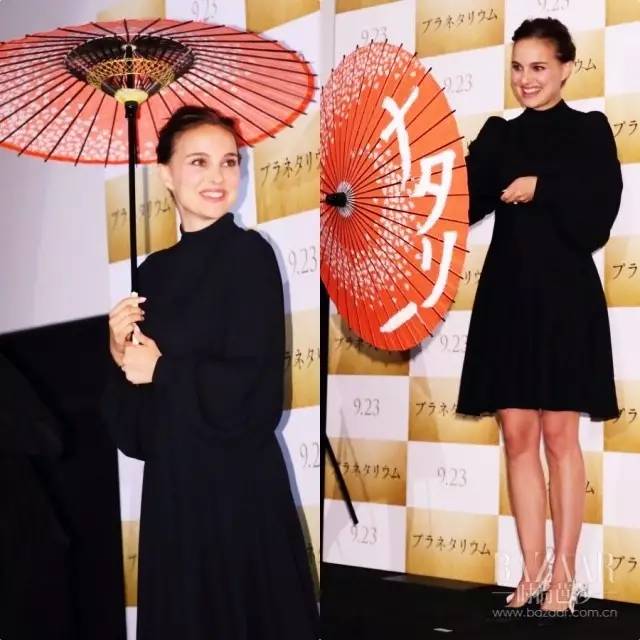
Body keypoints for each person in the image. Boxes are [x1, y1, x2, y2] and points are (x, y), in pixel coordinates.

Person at [101, 106, 319, 639]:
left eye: (229, 161)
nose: (217, 176)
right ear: (166, 173)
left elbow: (256, 396)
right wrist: (120, 355)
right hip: (175, 496)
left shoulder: (250, 255)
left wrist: (163, 370)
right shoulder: (151, 273)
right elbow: (137, 434)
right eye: (198, 162)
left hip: (239, 493)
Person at [456, 18, 622, 616]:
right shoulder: (498, 134)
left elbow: (597, 217)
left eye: (539, 67)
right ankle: (530, 571)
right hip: (507, 298)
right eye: (518, 67)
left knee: (559, 437)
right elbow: (460, 204)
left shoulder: (589, 130)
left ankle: (564, 577)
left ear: (566, 68)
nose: (526, 79)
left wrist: (541, 186)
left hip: (564, 301)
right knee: (518, 438)